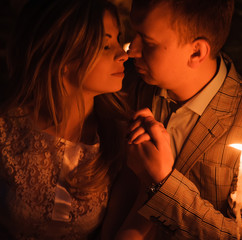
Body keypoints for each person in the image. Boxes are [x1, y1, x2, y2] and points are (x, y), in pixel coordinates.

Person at [114, 0, 242, 239]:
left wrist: (164, 183)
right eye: (134, 34)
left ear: (196, 51)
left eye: (148, 42)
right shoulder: (128, 87)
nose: (131, 50)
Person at [0, 0, 142, 239]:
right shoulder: (7, 131)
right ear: (63, 57)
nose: (122, 54)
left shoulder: (120, 138)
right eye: (106, 46)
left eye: (118, 39)